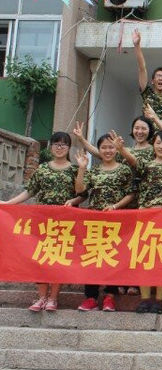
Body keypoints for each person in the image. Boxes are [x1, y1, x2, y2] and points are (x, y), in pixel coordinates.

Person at [0, 132, 81, 312]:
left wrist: (73, 201)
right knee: (41, 258)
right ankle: (42, 297)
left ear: (68, 148)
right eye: (56, 144)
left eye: (64, 144)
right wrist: (8, 204)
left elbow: (81, 194)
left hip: (64, 223)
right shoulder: (42, 169)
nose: (60, 147)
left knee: (58, 259)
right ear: (50, 147)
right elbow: (30, 191)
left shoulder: (75, 169)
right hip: (42, 222)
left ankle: (53, 298)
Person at [119, 130, 162, 314]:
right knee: (144, 257)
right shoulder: (145, 165)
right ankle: (145, 299)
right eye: (158, 143)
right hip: (145, 217)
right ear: (153, 145)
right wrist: (121, 149)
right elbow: (133, 160)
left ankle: (160, 301)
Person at [74, 132, 136, 312]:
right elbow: (80, 190)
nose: (108, 151)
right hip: (95, 222)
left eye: (111, 147)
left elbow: (131, 193)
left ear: (116, 149)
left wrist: (115, 206)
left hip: (117, 222)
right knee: (92, 258)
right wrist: (82, 169)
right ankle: (91, 297)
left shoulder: (124, 170)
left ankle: (110, 296)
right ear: (99, 150)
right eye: (104, 148)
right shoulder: (94, 170)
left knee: (114, 258)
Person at [132, 29, 162, 120]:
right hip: (148, 127)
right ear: (152, 81)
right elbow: (142, 68)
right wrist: (137, 45)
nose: (160, 78)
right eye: (158, 76)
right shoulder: (147, 93)